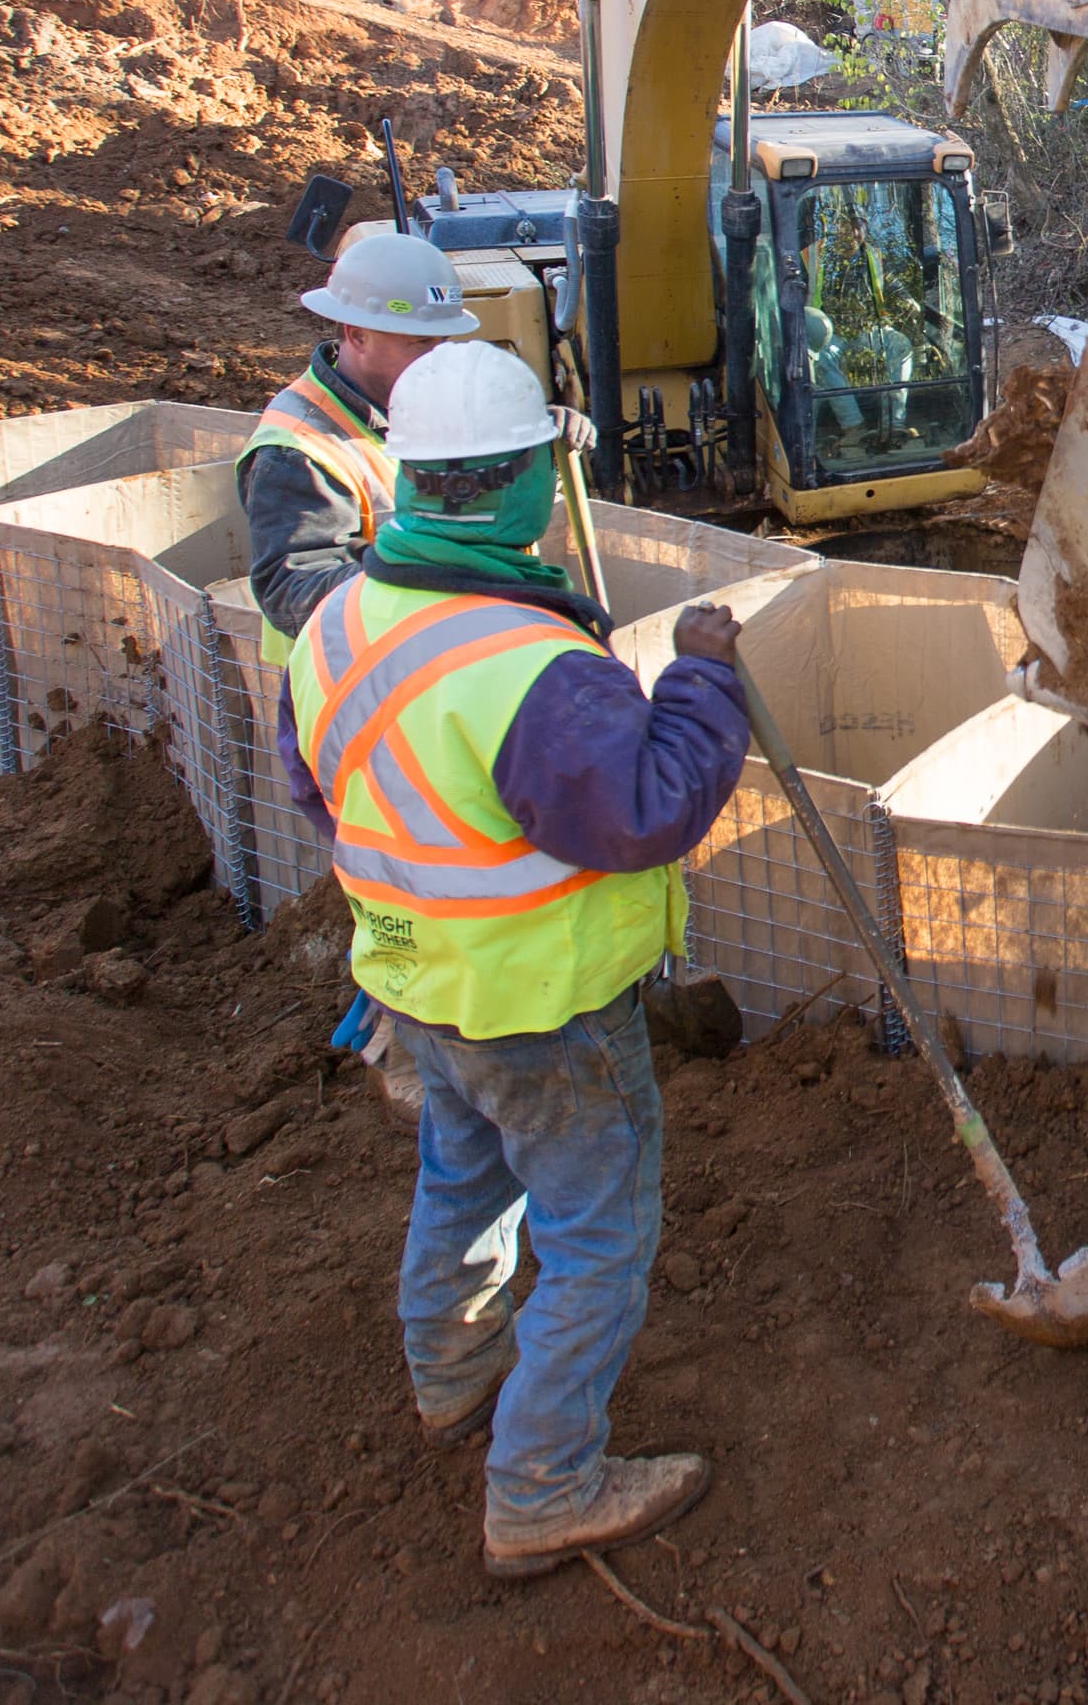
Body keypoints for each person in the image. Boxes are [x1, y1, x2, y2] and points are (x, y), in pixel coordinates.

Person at [280, 337, 753, 1578]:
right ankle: (542, 1482)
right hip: (547, 1006)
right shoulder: (524, 666)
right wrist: (702, 684)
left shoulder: (334, 626)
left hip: (418, 983)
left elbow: (317, 786)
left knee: (464, 1182)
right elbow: (649, 806)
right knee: (598, 1235)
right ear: (513, 486)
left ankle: (452, 1376)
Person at [243, 229, 478, 647]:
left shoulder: (416, 396)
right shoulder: (298, 449)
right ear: (357, 335)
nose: (437, 357)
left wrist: (532, 439)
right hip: (348, 691)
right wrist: (418, 573)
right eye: (420, 341)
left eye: (444, 340)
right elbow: (294, 592)